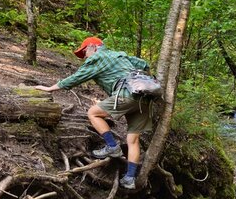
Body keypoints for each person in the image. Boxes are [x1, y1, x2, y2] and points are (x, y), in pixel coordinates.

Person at [33, 36, 152, 189]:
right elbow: (144, 64)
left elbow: (76, 78)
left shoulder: (97, 58)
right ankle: (129, 178)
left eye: (84, 53)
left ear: (92, 47)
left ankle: (112, 146)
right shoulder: (120, 55)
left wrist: (50, 88)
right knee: (133, 140)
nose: (84, 57)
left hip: (126, 94)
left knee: (93, 113)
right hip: (144, 98)